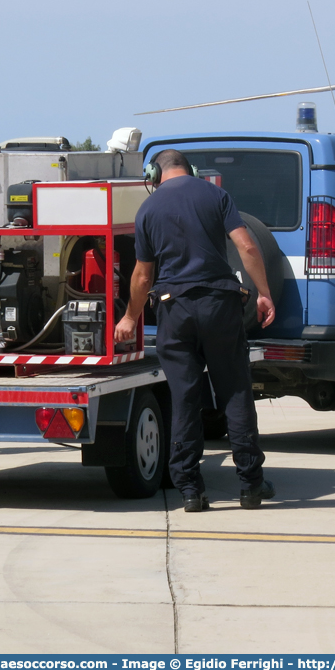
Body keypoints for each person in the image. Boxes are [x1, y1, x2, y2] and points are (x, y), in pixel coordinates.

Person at [113, 149, 277, 512]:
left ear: (154, 173)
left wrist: (129, 318)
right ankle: (251, 485)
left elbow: (143, 276)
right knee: (235, 390)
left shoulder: (148, 210)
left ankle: (190, 490)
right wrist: (263, 293)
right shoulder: (215, 195)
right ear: (191, 170)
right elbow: (247, 245)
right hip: (220, 304)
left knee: (185, 398)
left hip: (175, 308)